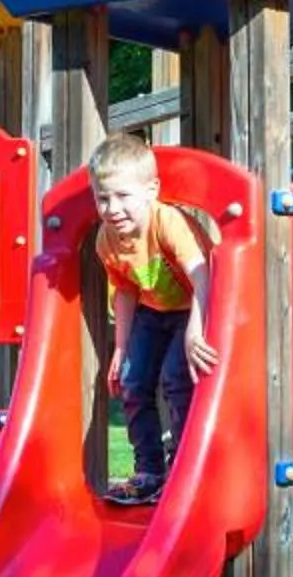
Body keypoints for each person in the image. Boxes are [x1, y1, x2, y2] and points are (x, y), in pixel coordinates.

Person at [88, 132, 219, 505]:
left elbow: (202, 274)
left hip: (194, 305)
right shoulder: (106, 239)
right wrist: (121, 347)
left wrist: (197, 327)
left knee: (177, 379)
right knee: (131, 380)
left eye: (123, 196)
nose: (112, 208)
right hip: (154, 311)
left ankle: (184, 466)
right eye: (103, 198)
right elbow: (127, 290)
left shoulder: (166, 222)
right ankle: (149, 470)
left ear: (151, 190)